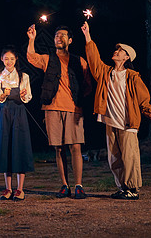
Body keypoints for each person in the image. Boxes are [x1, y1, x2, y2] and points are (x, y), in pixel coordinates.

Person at [81, 21, 151, 200]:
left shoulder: (133, 77)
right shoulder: (106, 72)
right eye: (116, 49)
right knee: (114, 158)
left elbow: (144, 99)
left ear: (126, 57)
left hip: (128, 123)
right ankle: (122, 187)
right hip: (110, 121)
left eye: (120, 51)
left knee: (130, 157)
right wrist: (88, 36)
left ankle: (132, 189)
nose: (116, 52)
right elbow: (94, 61)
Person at [27, 24, 91, 199]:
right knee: (58, 148)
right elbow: (31, 57)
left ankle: (78, 185)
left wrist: (77, 99)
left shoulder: (79, 61)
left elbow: (87, 85)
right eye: (56, 35)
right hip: (52, 108)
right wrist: (32, 39)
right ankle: (65, 185)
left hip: (73, 109)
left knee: (76, 146)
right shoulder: (48, 59)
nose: (58, 38)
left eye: (62, 35)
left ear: (70, 40)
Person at [0, 46, 34, 201]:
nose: (9, 61)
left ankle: (20, 189)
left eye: (12, 58)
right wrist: (3, 94)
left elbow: (29, 96)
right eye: (6, 58)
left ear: (16, 59)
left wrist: (23, 95)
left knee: (19, 146)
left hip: (19, 114)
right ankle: (8, 188)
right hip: (4, 113)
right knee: (6, 147)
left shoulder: (24, 77)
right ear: (1, 59)